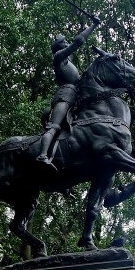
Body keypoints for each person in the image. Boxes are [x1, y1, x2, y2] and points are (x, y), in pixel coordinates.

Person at [36, 15, 101, 169]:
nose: (66, 44)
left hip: (76, 98)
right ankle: (42, 155)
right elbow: (78, 42)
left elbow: (78, 41)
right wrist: (93, 26)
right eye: (63, 42)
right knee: (55, 126)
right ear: (58, 47)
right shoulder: (58, 57)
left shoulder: (68, 61)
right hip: (64, 96)